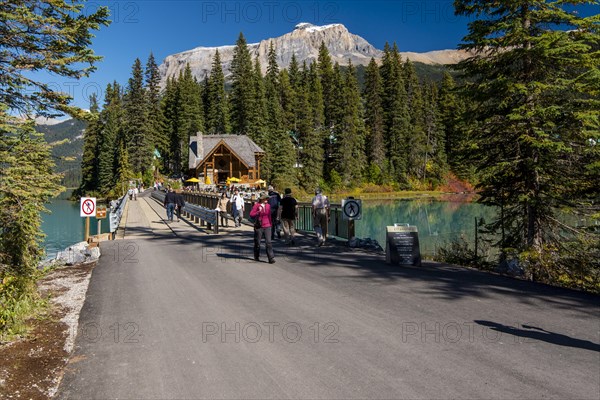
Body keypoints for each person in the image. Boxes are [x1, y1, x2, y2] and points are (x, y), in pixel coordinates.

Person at [249, 194, 275, 263]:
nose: (267, 199)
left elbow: (269, 216)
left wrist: (270, 224)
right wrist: (258, 212)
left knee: (268, 242)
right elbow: (251, 214)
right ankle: (256, 256)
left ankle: (271, 258)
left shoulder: (268, 206)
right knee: (257, 242)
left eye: (267, 198)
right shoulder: (257, 205)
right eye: (266, 198)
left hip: (267, 226)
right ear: (262, 199)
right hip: (259, 226)